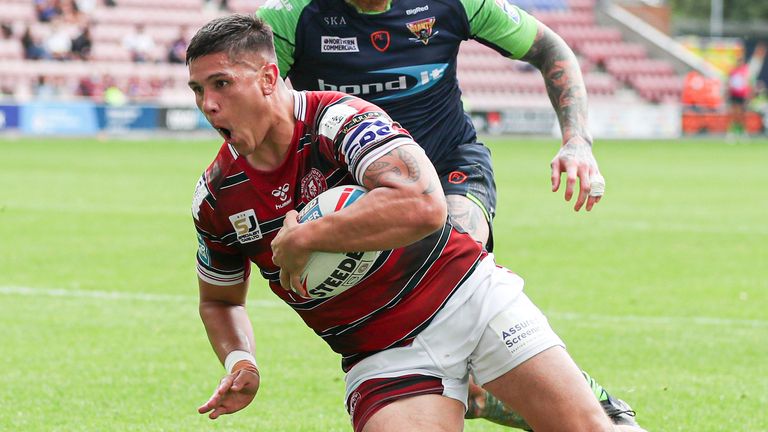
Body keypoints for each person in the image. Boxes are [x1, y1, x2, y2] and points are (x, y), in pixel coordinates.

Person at [188, 14, 646, 432]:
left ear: (269, 78)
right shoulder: (216, 197)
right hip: (382, 355)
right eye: (198, 90)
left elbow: (426, 205)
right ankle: (483, 393)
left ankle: (573, 402)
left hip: (468, 298)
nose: (208, 104)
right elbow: (220, 301)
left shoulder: (340, 119)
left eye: (222, 84)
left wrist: (307, 236)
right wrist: (241, 359)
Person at [727, 43, 766, 139]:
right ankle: (733, 132)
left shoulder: (745, 70)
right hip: (734, 95)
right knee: (734, 114)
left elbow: (749, 81)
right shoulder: (733, 71)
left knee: (742, 114)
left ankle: (742, 131)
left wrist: (749, 93)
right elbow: (730, 84)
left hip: (742, 96)